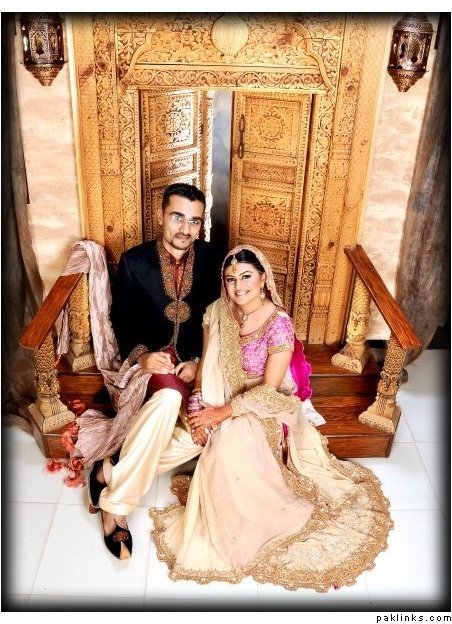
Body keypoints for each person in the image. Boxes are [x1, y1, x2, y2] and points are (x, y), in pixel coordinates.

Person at [150, 244, 393, 591]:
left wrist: (220, 414)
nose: (238, 286)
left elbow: (270, 390)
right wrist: (198, 404)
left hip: (263, 405)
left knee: (226, 447)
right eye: (231, 278)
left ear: (263, 278)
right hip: (220, 395)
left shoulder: (278, 324)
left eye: (246, 276)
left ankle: (250, 527)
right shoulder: (217, 311)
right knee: (195, 436)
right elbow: (206, 365)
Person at [84, 182, 221, 560]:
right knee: (169, 399)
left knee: (202, 436)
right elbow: (121, 320)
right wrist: (142, 357)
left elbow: (219, 319)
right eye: (177, 217)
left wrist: (198, 361)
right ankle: (115, 507)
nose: (185, 229)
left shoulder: (213, 260)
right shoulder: (135, 260)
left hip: (192, 364)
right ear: (161, 215)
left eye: (194, 221)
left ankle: (110, 470)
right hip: (149, 365)